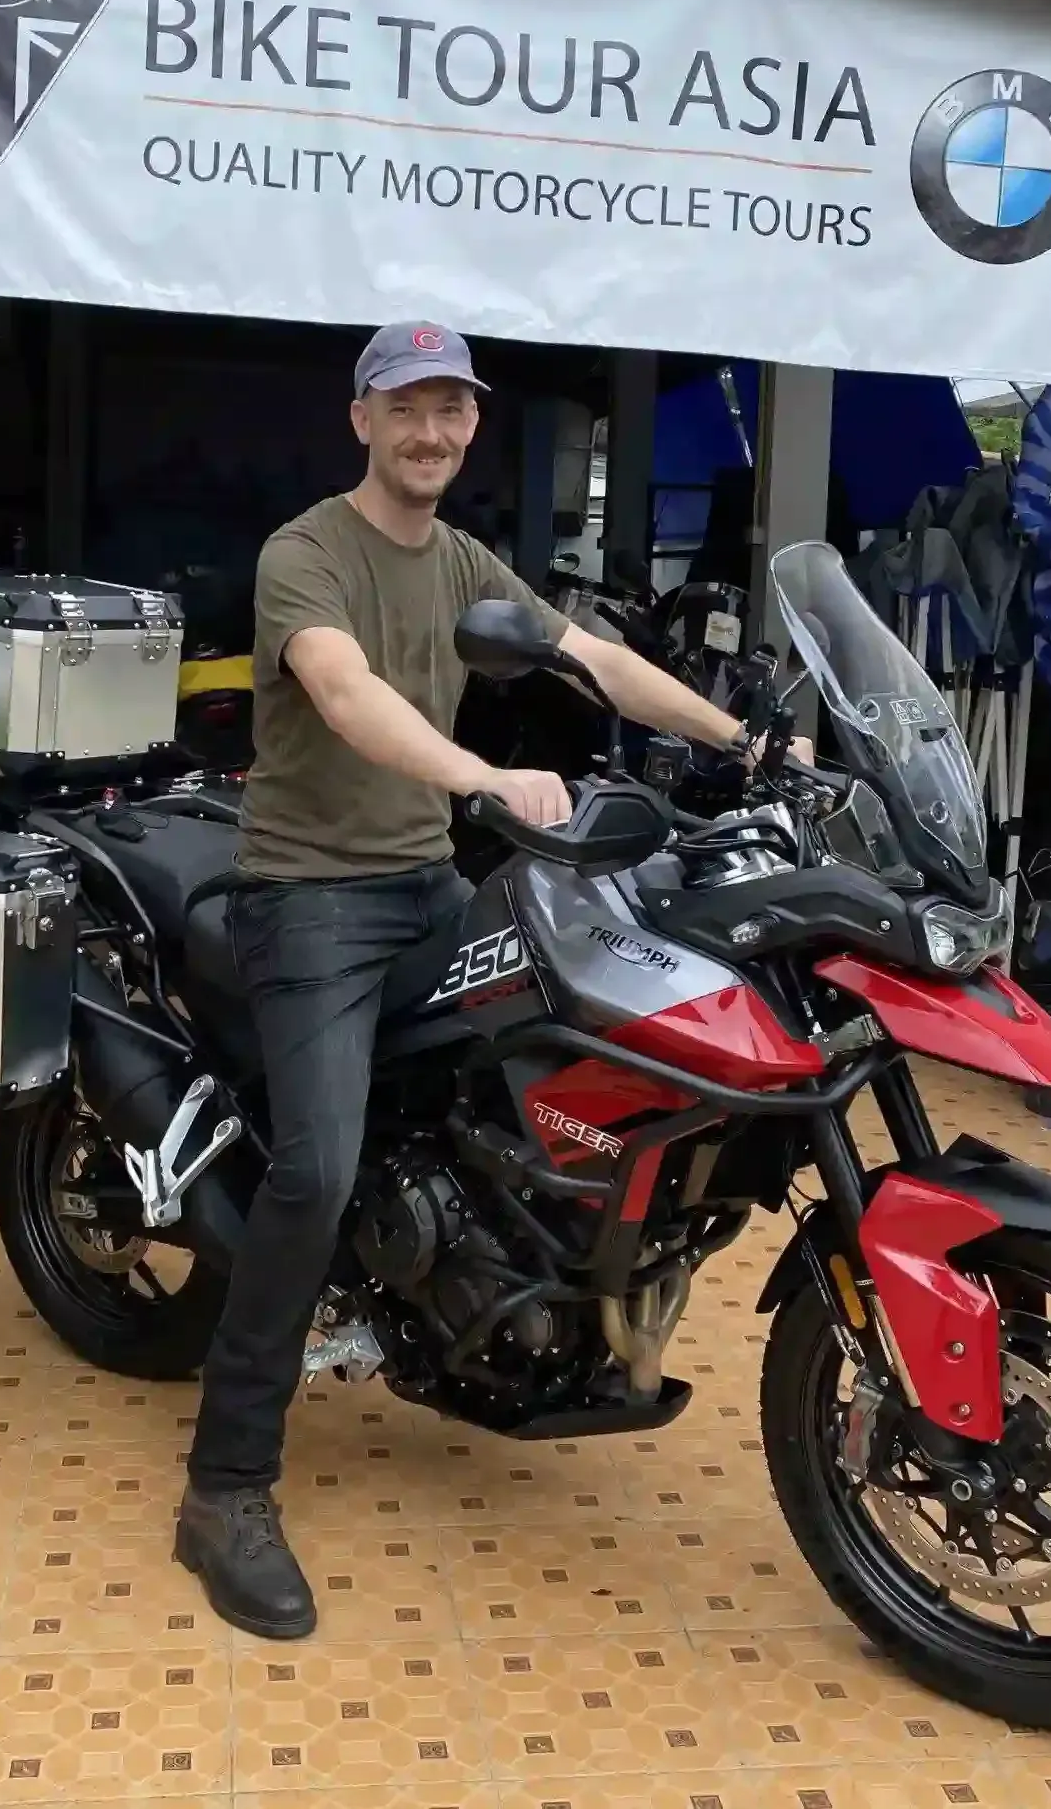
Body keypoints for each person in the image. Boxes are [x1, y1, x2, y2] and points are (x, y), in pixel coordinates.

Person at [173, 321, 807, 1638]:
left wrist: (746, 741)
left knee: (543, 1041)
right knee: (318, 1165)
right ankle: (225, 1483)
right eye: (408, 406)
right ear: (362, 417)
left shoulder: (464, 558)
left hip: (425, 886)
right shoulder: (308, 552)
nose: (433, 431)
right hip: (309, 905)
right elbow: (343, 694)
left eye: (453, 408)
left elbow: (593, 657)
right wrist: (484, 778)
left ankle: (491, 1286)